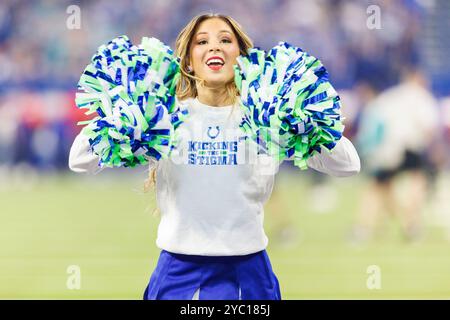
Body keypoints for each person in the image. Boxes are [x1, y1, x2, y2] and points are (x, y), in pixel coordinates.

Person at [68, 13, 360, 300]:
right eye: (202, 41)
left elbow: (348, 164)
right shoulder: (164, 117)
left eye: (225, 40)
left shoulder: (265, 117)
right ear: (188, 61)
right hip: (178, 272)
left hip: (249, 271)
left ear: (242, 57)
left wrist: (298, 123)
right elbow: (80, 159)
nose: (214, 46)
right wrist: (128, 118)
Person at [353, 69, 440, 243]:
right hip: (408, 146)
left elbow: (374, 117)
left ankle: (363, 228)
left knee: (378, 186)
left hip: (385, 148)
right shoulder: (421, 96)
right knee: (417, 181)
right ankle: (411, 225)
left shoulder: (391, 95)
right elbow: (428, 127)